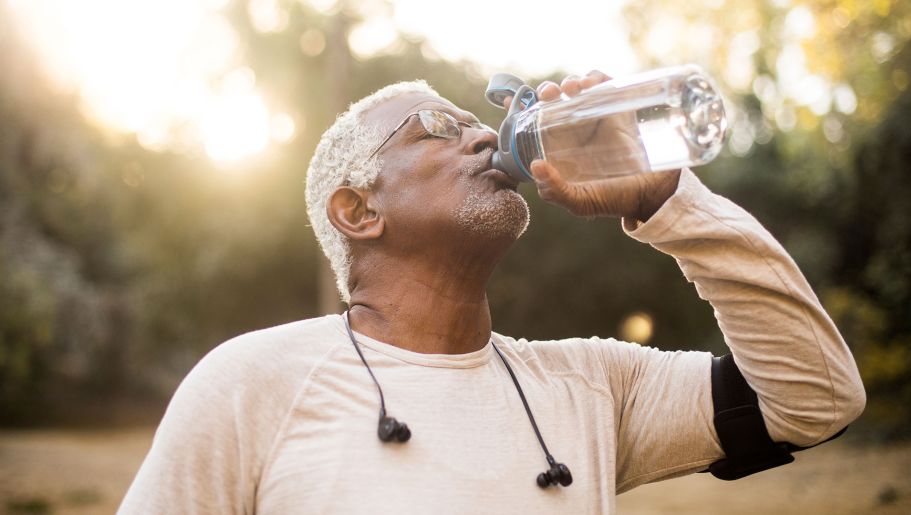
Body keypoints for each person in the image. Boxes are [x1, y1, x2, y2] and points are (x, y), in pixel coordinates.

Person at [119, 71, 866, 514]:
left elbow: (818, 397)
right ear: (360, 210)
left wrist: (669, 201)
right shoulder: (252, 382)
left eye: (480, 122)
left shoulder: (594, 385)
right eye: (436, 128)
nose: (483, 138)